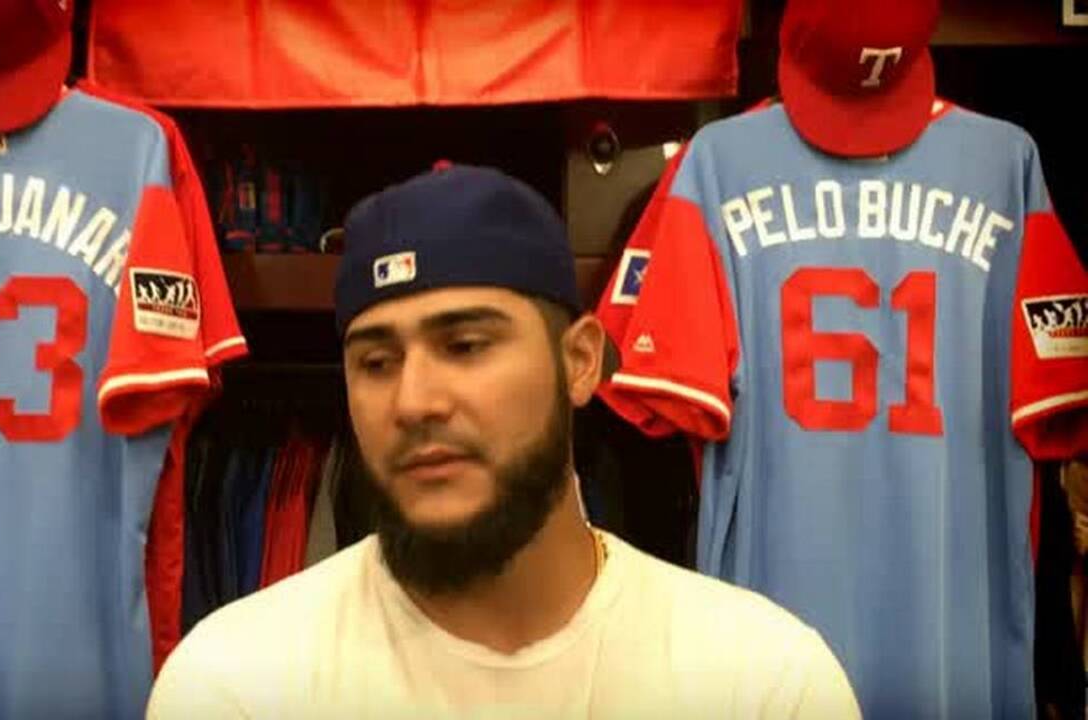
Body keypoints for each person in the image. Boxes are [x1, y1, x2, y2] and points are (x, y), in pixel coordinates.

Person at [147, 164, 861, 718]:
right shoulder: (236, 682)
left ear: (581, 361)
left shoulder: (760, 681)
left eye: (465, 345)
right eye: (375, 361)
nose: (414, 401)